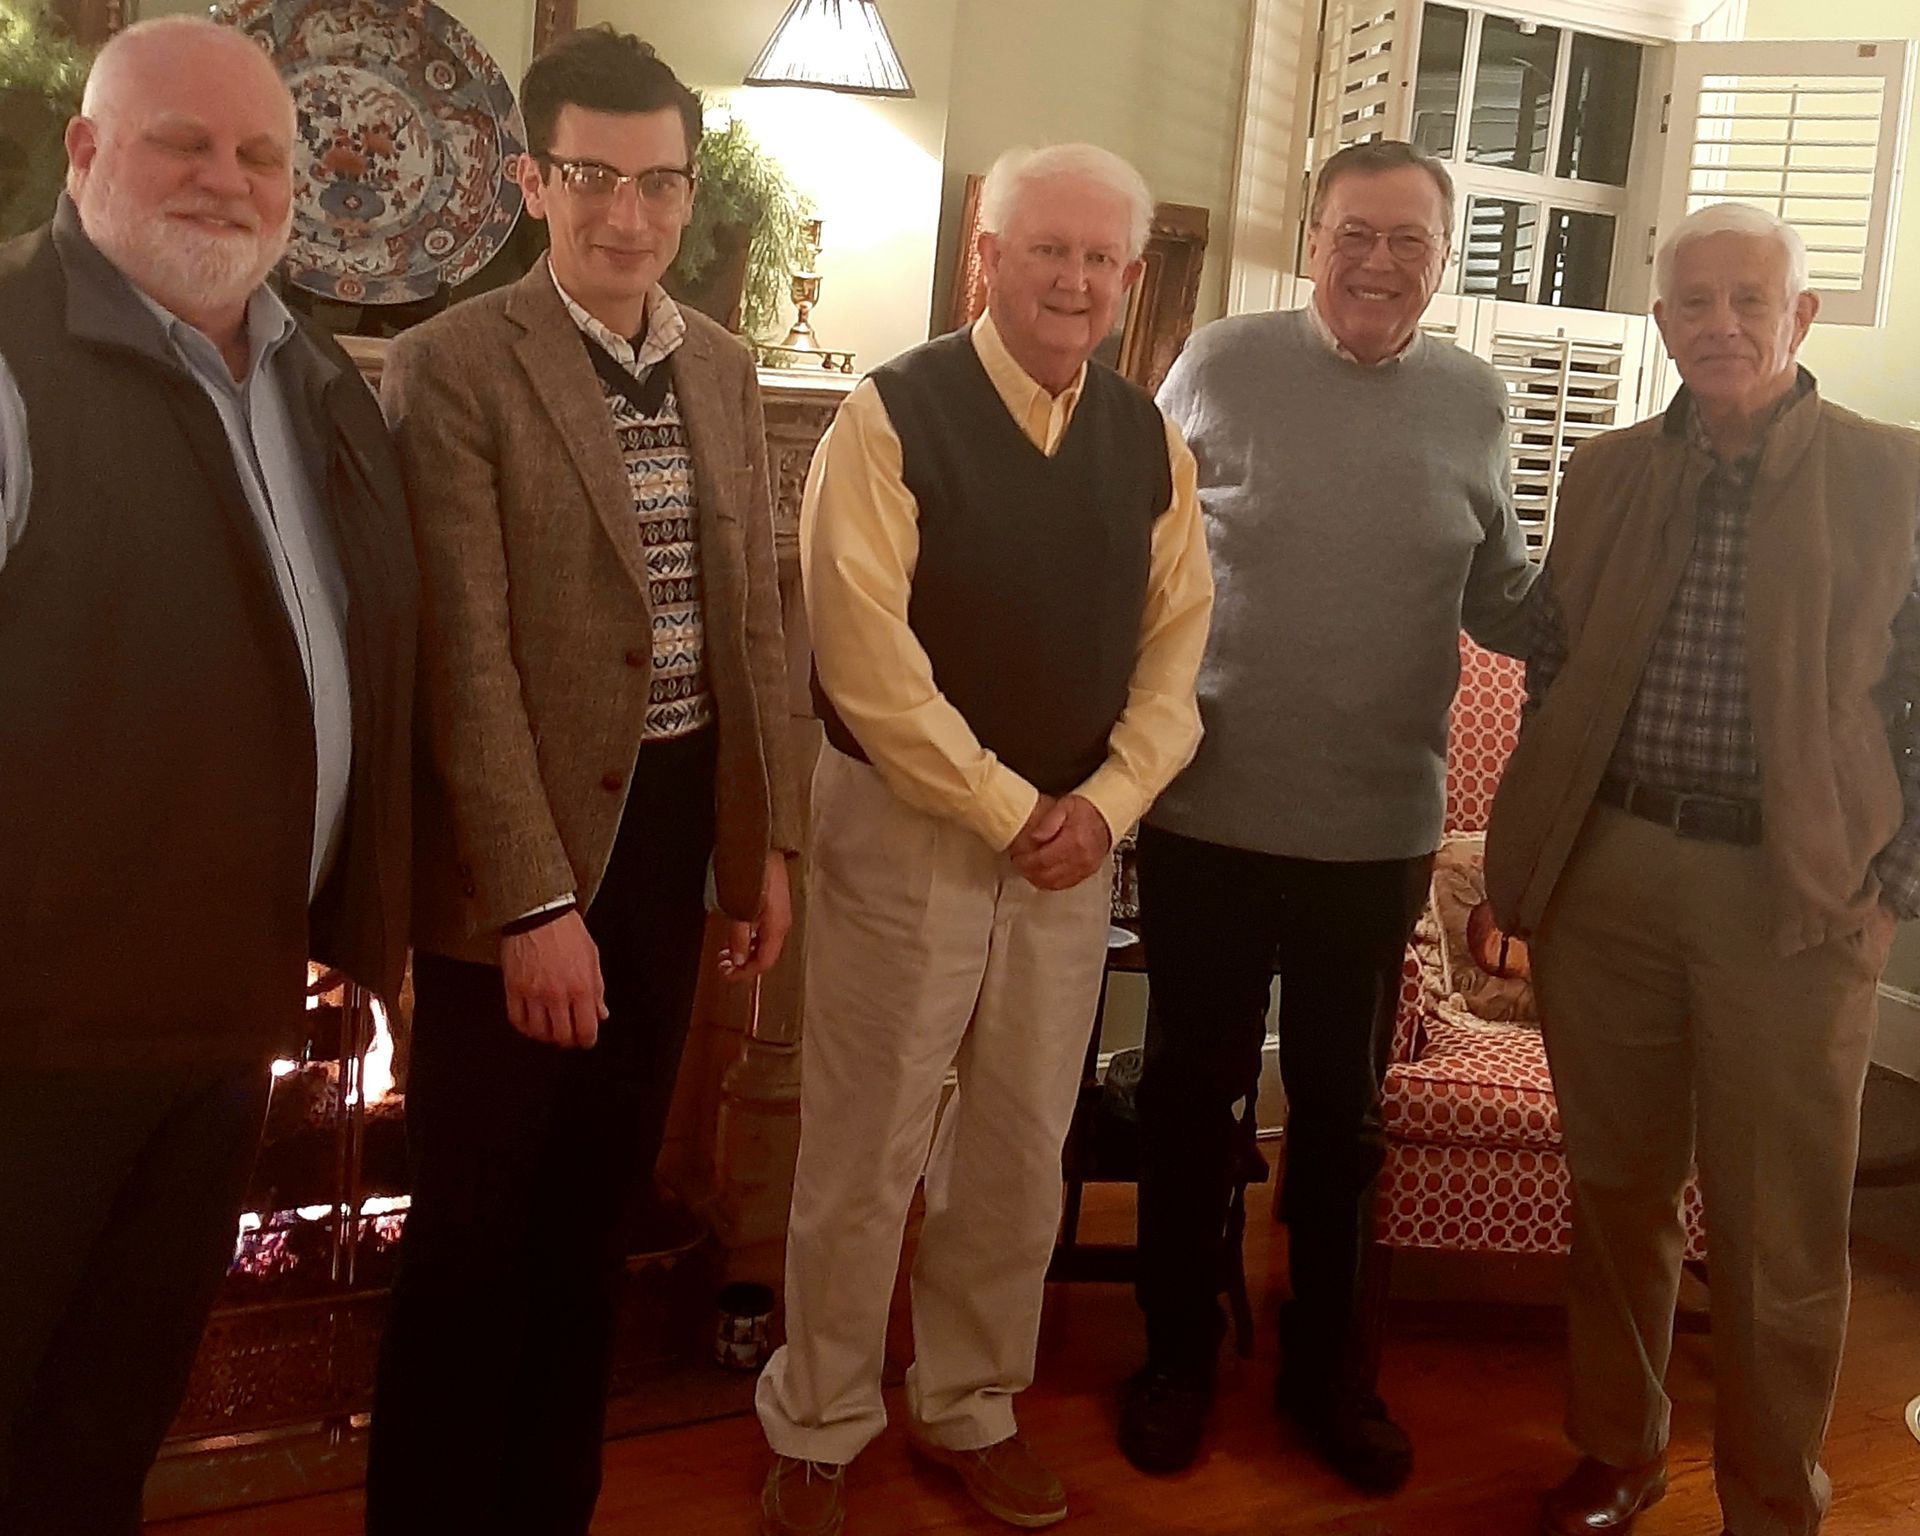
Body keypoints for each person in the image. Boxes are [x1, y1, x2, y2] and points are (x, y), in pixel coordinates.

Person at [363, 27, 799, 1536]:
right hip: (519, 862)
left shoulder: (727, 369)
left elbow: (755, 619)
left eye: (659, 184)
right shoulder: (450, 368)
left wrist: (764, 849)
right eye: (594, 179)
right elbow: (463, 665)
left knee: (591, 1230)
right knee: (473, 1237)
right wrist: (535, 906)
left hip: (674, 839)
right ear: (529, 180)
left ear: (691, 195)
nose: (629, 215)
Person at [753, 143, 1213, 1536]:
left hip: (1074, 848)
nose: (1073, 280)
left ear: (1129, 282)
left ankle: (970, 1405)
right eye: (1046, 250)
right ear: (986, 256)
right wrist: (1018, 811)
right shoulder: (890, 415)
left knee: (1019, 1146)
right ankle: (821, 1420)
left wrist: (1109, 806)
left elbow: (1176, 655)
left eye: (1099, 260)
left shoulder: (1148, 439)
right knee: (866, 1142)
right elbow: (864, 659)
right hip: (907, 832)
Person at [0, 17, 415, 1532]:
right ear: (87, 152)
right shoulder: (9, 354)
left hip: (219, 1018)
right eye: (183, 140)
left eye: (260, 155)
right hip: (30, 1035)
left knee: (107, 1421)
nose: (225, 181)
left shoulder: (316, 385)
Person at [1484, 202, 1920, 1536]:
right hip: (1610, 873)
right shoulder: (1606, 469)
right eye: (1695, 301)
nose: (1721, 322)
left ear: (1800, 317)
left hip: (1792, 893)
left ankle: (1772, 1500)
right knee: (1616, 1188)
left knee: (1778, 1222)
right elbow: (1557, 662)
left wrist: (1891, 879)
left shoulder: (1892, 474)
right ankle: (1618, 1450)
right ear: (1662, 321)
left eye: (1752, 299)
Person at [1118, 139, 1538, 1492]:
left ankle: (1327, 1379)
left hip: (1379, 834)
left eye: (1410, 241)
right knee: (1194, 1097)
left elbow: (1506, 599)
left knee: (1350, 1121)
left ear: (1442, 259)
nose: (1379, 262)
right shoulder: (1223, 364)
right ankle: (1176, 1357)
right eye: (1357, 232)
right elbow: (1133, 549)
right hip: (1210, 812)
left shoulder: (1478, 401)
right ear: (1313, 238)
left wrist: (1630, 602)